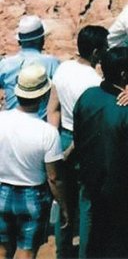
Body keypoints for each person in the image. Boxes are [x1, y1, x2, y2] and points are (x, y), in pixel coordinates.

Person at [73, 46, 128, 259]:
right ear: (124, 74)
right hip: (121, 192)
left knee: (96, 239)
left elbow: (79, 135)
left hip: (91, 182)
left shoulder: (87, 96)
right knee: (121, 245)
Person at [47, 26, 108, 259]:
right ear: (95, 52)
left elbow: (53, 109)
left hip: (62, 136)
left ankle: (62, 252)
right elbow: (90, 125)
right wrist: (73, 149)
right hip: (83, 143)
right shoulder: (95, 82)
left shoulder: (63, 68)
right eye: (104, 49)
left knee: (63, 202)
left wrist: (53, 145)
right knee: (87, 203)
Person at [0, 63, 68, 259]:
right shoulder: (48, 132)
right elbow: (54, 177)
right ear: (44, 95)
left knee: (2, 250)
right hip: (32, 195)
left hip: (1, 191)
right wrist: (64, 207)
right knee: (26, 252)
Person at [0, 16, 60, 119]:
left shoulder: (5, 64)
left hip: (10, 124)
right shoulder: (52, 63)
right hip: (40, 126)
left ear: (19, 42)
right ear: (42, 40)